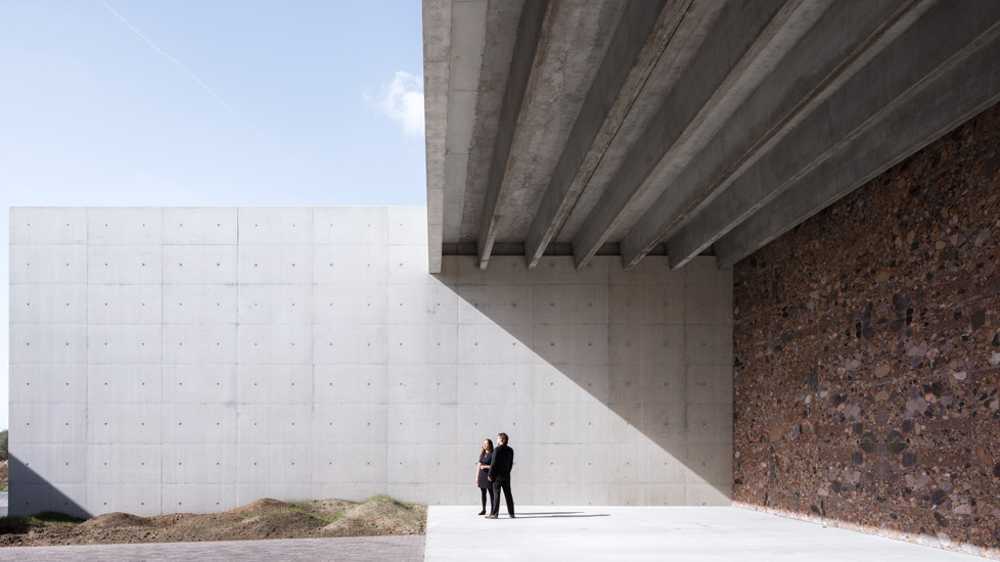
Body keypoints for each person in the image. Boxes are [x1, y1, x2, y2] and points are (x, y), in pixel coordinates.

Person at [486, 432, 514, 519]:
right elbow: (510, 464)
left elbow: (493, 463)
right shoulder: (510, 450)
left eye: (498, 438)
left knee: (496, 494)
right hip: (506, 476)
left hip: (497, 477)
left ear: (502, 439)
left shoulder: (497, 450)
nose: (497, 440)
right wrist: (507, 472)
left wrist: (490, 474)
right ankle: (511, 513)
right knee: (508, 494)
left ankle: (494, 514)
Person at [476, 438, 495, 516]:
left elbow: (495, 466)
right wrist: (476, 477)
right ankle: (483, 509)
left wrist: (486, 467)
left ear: (490, 445)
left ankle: (493, 510)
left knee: (491, 493)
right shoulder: (482, 454)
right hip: (481, 476)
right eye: (483, 443)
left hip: (489, 476)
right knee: (483, 493)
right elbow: (478, 465)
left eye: (486, 443)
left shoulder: (493, 454)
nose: (484, 445)